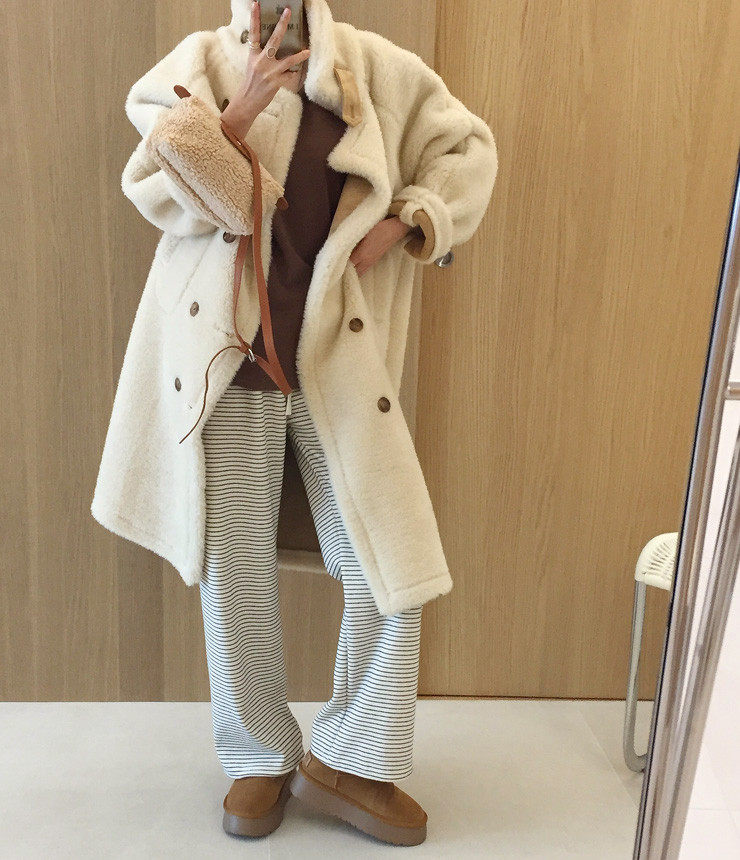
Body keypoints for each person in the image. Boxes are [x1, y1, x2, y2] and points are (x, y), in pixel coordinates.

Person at [90, 0, 498, 846]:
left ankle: (351, 759)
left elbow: (467, 148)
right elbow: (152, 187)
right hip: (225, 359)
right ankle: (258, 757)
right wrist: (234, 117)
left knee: (390, 562)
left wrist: (410, 220)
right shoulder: (198, 65)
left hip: (334, 364)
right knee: (234, 575)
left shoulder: (376, 70)